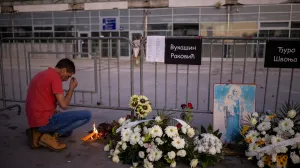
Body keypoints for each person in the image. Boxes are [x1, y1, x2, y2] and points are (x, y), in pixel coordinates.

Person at [25, 58, 92, 152]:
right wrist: (71, 88)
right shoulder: (55, 78)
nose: (66, 79)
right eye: (68, 76)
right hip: (43, 120)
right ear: (63, 70)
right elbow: (64, 105)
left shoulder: (42, 74)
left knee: (68, 131)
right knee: (87, 115)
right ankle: (49, 137)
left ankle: (37, 133)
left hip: (34, 120)